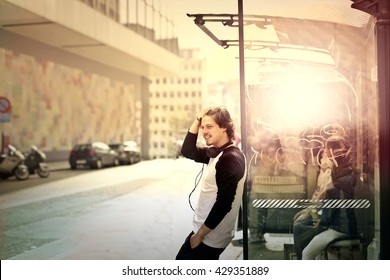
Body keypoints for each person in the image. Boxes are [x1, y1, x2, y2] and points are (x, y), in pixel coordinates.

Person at [175, 106, 247, 260]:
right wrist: (197, 119)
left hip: (209, 237)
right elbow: (187, 150)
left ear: (224, 127)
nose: (204, 131)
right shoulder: (216, 152)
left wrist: (200, 235)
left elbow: (224, 204)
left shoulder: (230, 159)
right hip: (207, 232)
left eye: (209, 126)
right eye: (202, 127)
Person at [301, 135, 358, 260]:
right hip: (353, 227)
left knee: (307, 253)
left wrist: (317, 228)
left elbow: (326, 218)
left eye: (326, 153)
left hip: (339, 230)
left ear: (332, 156)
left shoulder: (334, 186)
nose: (324, 156)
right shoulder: (352, 177)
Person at [292, 149, 334, 259]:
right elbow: (315, 197)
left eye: (326, 157)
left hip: (324, 215)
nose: (322, 160)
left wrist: (309, 214)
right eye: (322, 157)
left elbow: (321, 200)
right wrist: (306, 211)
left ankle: (302, 255)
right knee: (297, 220)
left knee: (299, 226)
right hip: (316, 211)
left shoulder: (331, 175)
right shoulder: (322, 174)